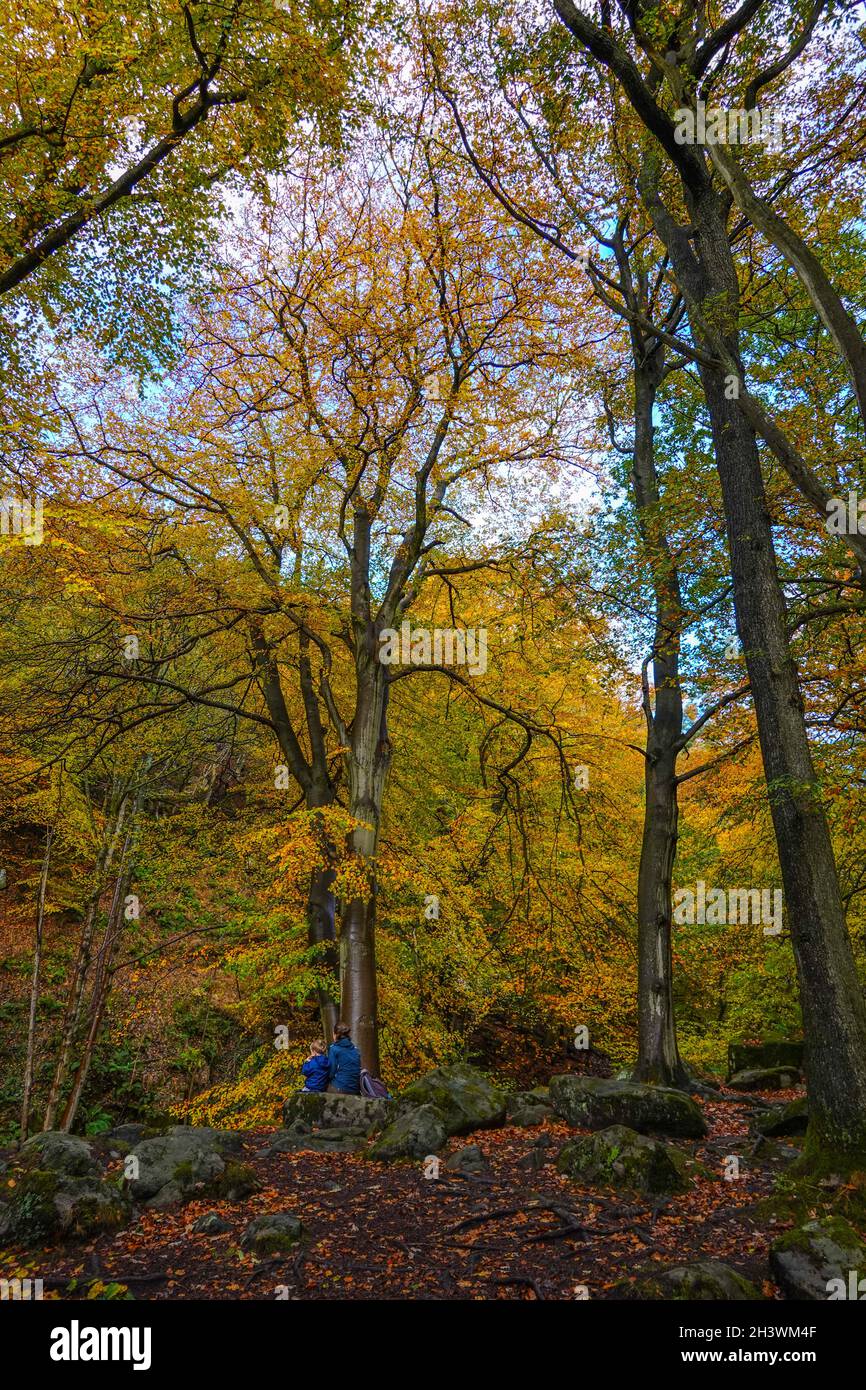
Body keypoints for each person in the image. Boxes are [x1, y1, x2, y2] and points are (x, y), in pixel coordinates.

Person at [326, 1022, 361, 1095]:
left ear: (335, 1035)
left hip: (341, 1087)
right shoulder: (355, 1049)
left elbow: (331, 1073)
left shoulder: (334, 1049)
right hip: (355, 1089)